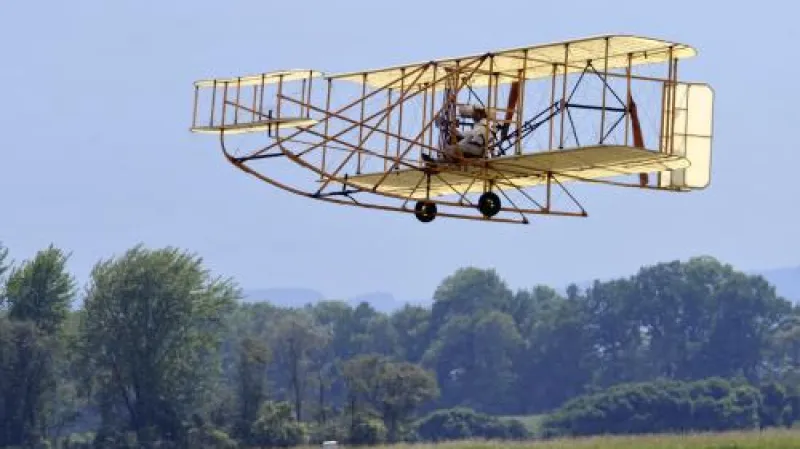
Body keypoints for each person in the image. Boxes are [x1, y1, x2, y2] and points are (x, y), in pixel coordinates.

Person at [424, 105, 490, 163]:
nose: (473, 117)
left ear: (479, 114)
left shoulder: (483, 124)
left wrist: (457, 133)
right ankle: (437, 162)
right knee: (450, 149)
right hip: (475, 147)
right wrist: (456, 133)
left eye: (475, 114)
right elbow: (469, 136)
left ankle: (437, 162)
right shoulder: (481, 125)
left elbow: (471, 135)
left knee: (452, 149)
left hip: (477, 149)